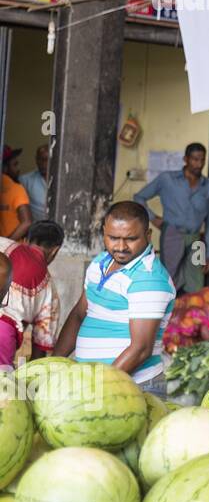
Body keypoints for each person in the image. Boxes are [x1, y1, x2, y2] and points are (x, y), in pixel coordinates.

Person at [53, 201, 175, 390]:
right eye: (113, 238)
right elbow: (79, 314)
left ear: (148, 236)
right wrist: (54, 365)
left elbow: (141, 349)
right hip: (95, 385)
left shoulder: (148, 278)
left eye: (131, 238)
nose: (120, 246)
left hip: (131, 387)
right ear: (103, 232)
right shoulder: (100, 262)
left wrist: (99, 388)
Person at [133, 142, 209, 294]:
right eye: (195, 159)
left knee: (197, 282)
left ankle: (190, 316)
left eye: (202, 160)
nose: (199, 164)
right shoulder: (167, 179)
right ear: (185, 159)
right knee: (170, 280)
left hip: (196, 239)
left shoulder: (208, 185)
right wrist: (153, 218)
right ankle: (170, 315)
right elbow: (139, 197)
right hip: (172, 234)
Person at [0, 220, 64, 362]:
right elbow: (41, 346)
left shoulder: (2, 243)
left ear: (26, 240)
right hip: (4, 337)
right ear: (55, 250)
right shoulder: (49, 290)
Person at [0, 146, 31, 240]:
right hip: (13, 250)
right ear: (5, 168)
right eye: (15, 164)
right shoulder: (16, 189)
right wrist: (5, 245)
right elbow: (27, 222)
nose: (18, 169)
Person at [18, 144, 50, 221]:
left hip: (58, 229)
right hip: (37, 229)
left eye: (45, 160)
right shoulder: (25, 180)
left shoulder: (61, 180)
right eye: (39, 159)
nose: (41, 163)